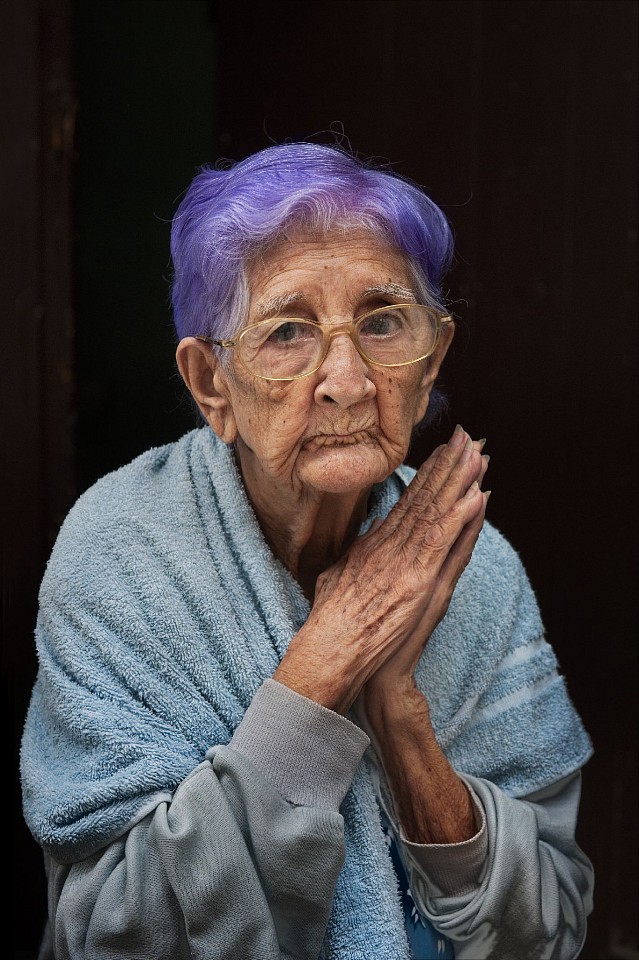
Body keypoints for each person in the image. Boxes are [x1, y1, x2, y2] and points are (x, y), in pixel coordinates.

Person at [21, 142, 594, 960]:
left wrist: (398, 714)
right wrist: (324, 665)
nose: (348, 380)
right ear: (210, 384)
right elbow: (114, 931)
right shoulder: (120, 555)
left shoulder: (476, 565)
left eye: (383, 321)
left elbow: (552, 926)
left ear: (429, 364)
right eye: (287, 332)